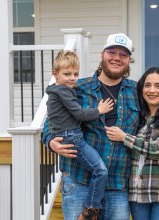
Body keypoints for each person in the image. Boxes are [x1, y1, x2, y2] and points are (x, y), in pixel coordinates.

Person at [43, 33, 159, 220]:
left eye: (123, 55)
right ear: (102, 55)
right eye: (112, 52)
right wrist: (50, 141)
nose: (117, 58)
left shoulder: (136, 91)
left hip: (118, 185)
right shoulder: (78, 88)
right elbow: (51, 121)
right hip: (80, 181)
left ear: (128, 61)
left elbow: (158, 96)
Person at [105, 67, 159, 220]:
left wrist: (124, 137)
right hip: (138, 195)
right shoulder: (137, 116)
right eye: (147, 85)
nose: (152, 90)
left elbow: (157, 149)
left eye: (158, 85)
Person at [45, 51, 114, 220]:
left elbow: (57, 117)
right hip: (73, 137)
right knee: (100, 171)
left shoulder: (58, 91)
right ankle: (92, 208)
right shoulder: (65, 91)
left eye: (75, 74)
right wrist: (99, 110)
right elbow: (79, 114)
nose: (72, 78)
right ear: (55, 74)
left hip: (69, 135)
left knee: (99, 170)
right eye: (67, 74)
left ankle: (92, 205)